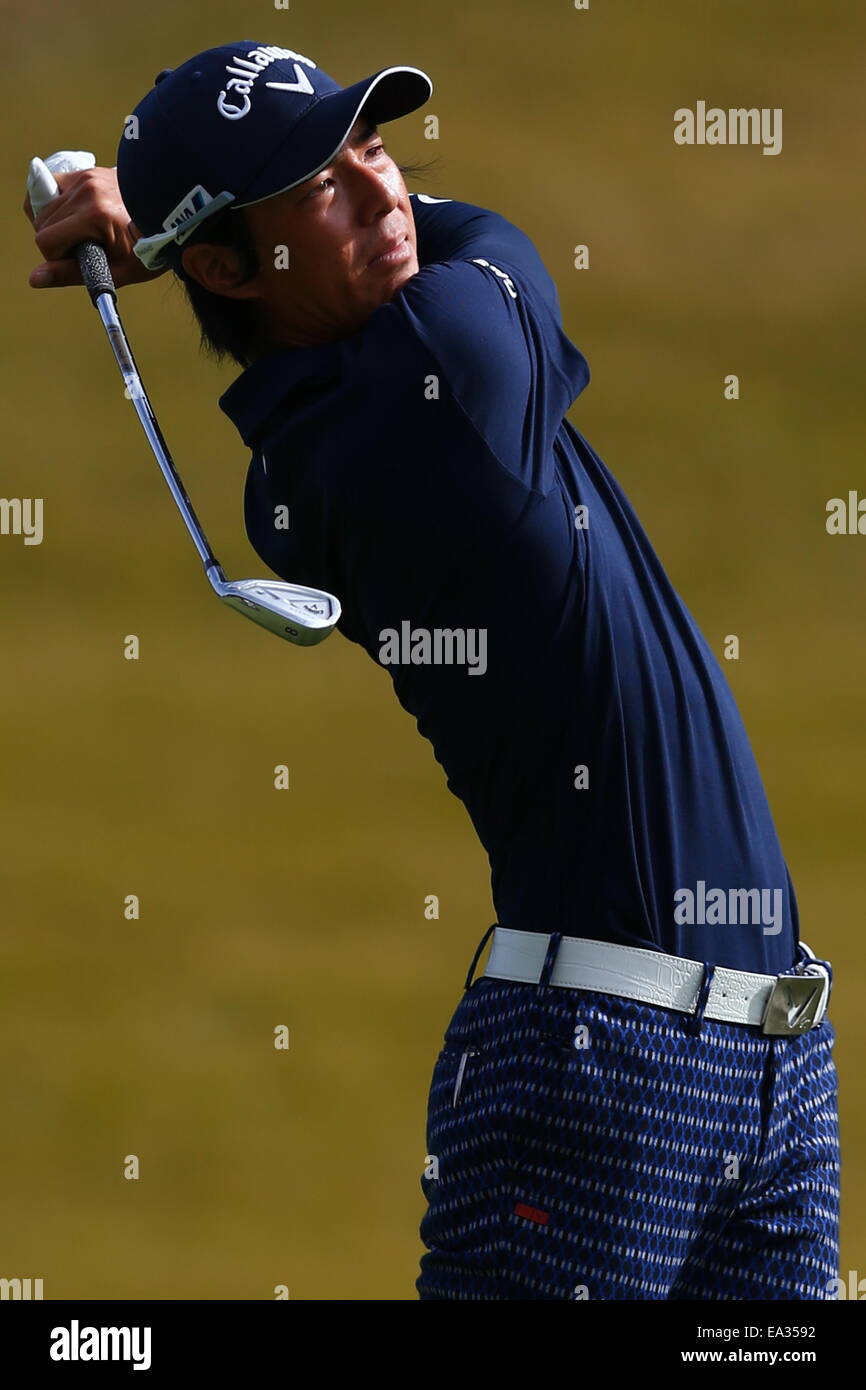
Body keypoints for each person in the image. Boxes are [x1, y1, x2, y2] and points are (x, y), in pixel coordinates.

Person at [25, 41, 840, 1301]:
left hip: (765, 1056)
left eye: (373, 147)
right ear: (228, 266)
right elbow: (494, 235)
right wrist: (156, 234)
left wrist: (168, 233)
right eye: (319, 189)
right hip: (598, 1067)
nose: (383, 192)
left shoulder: (309, 444)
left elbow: (392, 240)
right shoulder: (446, 376)